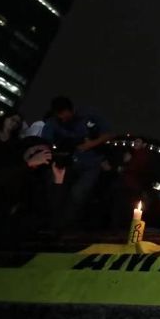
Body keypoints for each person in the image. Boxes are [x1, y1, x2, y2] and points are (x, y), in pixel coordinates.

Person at [41, 96, 115, 227]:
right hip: (67, 162)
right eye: (60, 117)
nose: (63, 120)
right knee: (58, 190)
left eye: (65, 116)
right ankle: (52, 222)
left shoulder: (89, 114)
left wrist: (90, 144)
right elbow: (45, 142)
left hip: (91, 162)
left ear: (71, 110)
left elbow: (109, 133)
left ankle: (67, 225)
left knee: (78, 193)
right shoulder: (53, 122)